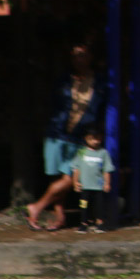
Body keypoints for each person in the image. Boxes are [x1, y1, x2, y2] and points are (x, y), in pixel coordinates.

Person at [27, 43, 100, 231]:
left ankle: (37, 206)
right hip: (57, 134)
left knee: (70, 178)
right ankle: (60, 217)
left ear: (90, 56)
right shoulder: (64, 80)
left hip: (79, 137)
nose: (78, 59)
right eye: (75, 56)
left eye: (82, 55)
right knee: (57, 178)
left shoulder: (98, 82)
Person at [69, 127, 115, 232]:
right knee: (83, 205)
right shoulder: (81, 152)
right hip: (85, 186)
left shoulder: (103, 153)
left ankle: (100, 223)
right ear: (86, 139)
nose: (95, 141)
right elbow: (76, 168)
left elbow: (106, 170)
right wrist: (75, 182)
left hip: (98, 186)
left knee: (99, 206)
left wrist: (107, 183)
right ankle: (83, 223)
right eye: (92, 139)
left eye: (97, 138)